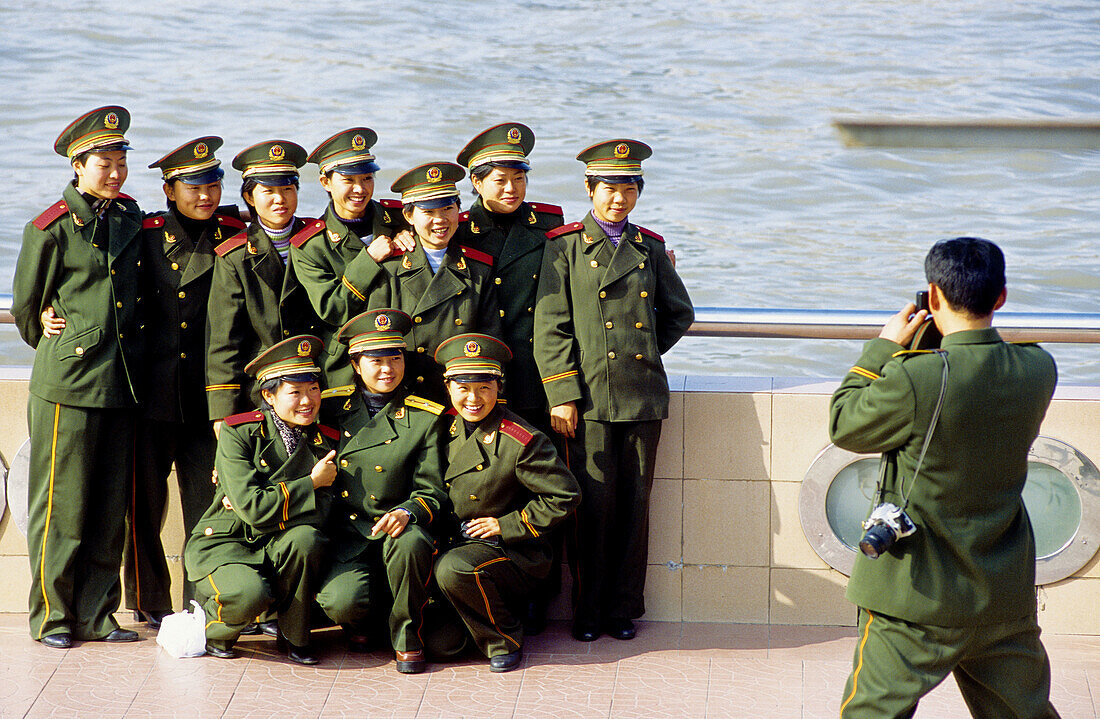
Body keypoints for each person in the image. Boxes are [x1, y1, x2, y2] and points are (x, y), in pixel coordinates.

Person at [831, 237, 1059, 718]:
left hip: (914, 597)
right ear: (1000, 296)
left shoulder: (917, 376)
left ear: (932, 297)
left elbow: (844, 423)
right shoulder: (1039, 368)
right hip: (1001, 592)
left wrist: (883, 349)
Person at [533, 139, 694, 642]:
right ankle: (588, 610)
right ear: (589, 189)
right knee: (592, 510)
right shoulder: (564, 247)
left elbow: (678, 313)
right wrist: (563, 394)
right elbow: (550, 326)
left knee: (635, 510)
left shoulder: (649, 246)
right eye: (608, 188)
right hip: (590, 402)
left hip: (642, 395)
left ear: (639, 192)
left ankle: (624, 608)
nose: (618, 198)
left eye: (628, 188)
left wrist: (641, 349)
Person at [12, 106, 144, 648]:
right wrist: (50, 327)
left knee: (110, 506)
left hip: (122, 380)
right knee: (61, 504)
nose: (114, 172)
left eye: (120, 161)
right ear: (77, 163)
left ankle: (96, 613)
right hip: (68, 383)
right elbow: (26, 309)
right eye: (103, 163)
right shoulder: (49, 228)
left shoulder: (130, 217)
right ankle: (51, 617)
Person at [124, 136, 246, 628]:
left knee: (209, 507)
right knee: (144, 508)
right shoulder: (147, 236)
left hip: (208, 398)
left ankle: (205, 600)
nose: (206, 194)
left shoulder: (236, 233)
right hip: (151, 396)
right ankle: (149, 600)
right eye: (194, 185)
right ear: (170, 190)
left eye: (214, 182)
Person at [184, 335, 337, 664]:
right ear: (268, 395)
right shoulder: (238, 433)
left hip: (282, 541)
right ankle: (217, 628)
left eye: (313, 389)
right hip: (230, 540)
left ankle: (295, 636)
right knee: (249, 594)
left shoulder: (326, 440)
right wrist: (310, 483)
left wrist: (263, 500)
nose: (307, 401)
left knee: (307, 537)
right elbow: (252, 509)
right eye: (294, 392)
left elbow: (321, 513)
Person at [433, 334, 579, 672]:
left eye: (484, 387)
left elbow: (564, 495)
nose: (473, 398)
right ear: (448, 387)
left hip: (510, 552)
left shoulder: (520, 439)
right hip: (454, 544)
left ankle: (505, 638)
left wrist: (507, 524)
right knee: (442, 645)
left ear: (499, 387)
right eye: (463, 388)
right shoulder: (439, 427)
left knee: (455, 569)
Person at [314, 308, 447, 674]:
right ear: (356, 365)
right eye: (376, 361)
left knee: (412, 540)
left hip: (397, 530)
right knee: (342, 602)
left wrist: (407, 511)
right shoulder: (328, 407)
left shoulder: (424, 417)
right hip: (347, 535)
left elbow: (433, 490)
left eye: (395, 358)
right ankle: (363, 623)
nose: (387, 369)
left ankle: (408, 638)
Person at [364, 161, 502, 402]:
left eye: (448, 209)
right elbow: (375, 343)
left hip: (461, 400)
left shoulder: (479, 270)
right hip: (405, 398)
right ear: (409, 215)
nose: (440, 220)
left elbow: (490, 342)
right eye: (428, 212)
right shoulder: (390, 268)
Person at [205, 139, 316, 431]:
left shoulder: (317, 240)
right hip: (261, 387)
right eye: (268, 191)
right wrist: (222, 414)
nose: (279, 199)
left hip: (316, 380)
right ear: (250, 198)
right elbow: (224, 339)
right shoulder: (234, 256)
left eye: (287, 190)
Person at [290, 128, 411, 393]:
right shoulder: (311, 245)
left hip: (403, 360)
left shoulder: (400, 218)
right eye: (348, 180)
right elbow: (333, 310)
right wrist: (368, 259)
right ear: (325, 182)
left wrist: (410, 232)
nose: (360, 189)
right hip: (345, 365)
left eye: (367, 178)